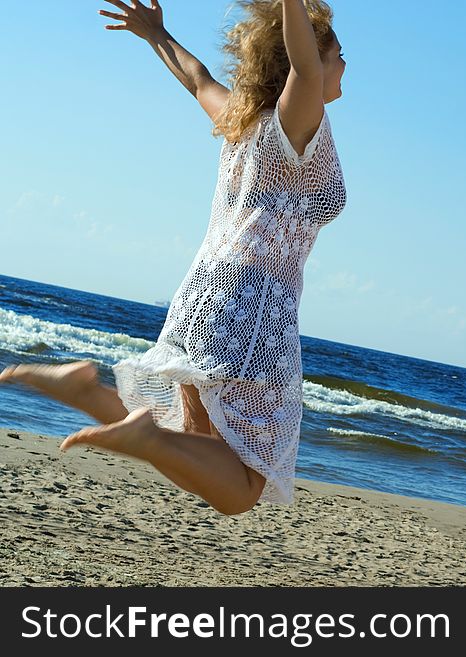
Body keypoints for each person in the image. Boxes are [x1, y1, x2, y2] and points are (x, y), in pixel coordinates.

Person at [0, 0, 347, 515]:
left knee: (199, 444)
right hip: (253, 308)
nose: (343, 66)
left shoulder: (240, 122)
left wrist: (155, 34)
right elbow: (302, 67)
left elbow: (198, 77)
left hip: (205, 296)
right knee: (243, 486)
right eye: (336, 55)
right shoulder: (297, 123)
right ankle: (138, 430)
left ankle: (89, 390)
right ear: (310, 64)